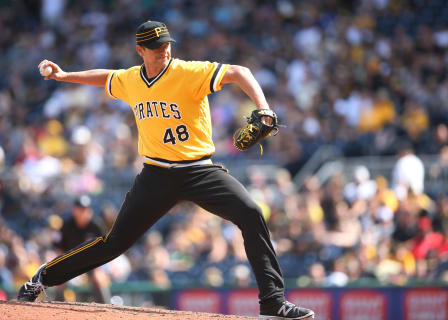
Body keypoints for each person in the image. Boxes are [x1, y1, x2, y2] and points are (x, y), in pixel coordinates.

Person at [17, 20, 315, 319]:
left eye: (167, 44)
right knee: (114, 244)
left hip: (200, 170)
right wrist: (65, 76)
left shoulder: (187, 72)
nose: (164, 50)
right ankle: (43, 277)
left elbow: (241, 72)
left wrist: (263, 108)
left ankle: (273, 303)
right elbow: (106, 77)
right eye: (156, 47)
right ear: (140, 50)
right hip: (156, 174)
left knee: (251, 213)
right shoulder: (132, 79)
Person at [54, 195, 110, 303]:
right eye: (80, 209)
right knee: (58, 278)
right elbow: (60, 250)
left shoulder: (96, 226)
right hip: (70, 261)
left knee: (98, 279)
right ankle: (55, 308)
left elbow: (103, 250)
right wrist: (59, 268)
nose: (83, 212)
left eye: (86, 209)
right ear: (74, 210)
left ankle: (106, 307)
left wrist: (97, 269)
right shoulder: (66, 226)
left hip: (92, 263)